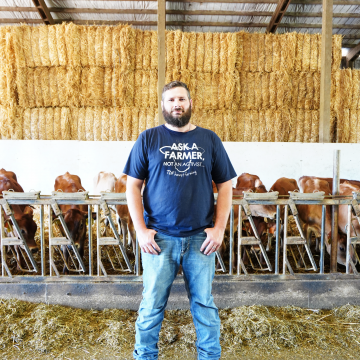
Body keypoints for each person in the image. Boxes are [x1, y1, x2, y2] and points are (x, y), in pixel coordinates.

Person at [123, 81, 236, 360]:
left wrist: (219, 228)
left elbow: (225, 185)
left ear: (190, 103)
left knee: (204, 305)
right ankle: (145, 356)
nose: (177, 104)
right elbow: (132, 186)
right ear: (163, 105)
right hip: (159, 239)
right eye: (171, 99)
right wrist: (141, 231)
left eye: (182, 99)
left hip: (201, 239)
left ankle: (210, 356)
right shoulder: (148, 139)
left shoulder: (210, 140)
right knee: (151, 305)